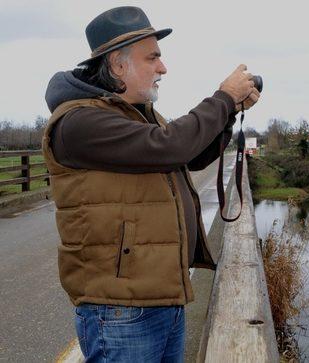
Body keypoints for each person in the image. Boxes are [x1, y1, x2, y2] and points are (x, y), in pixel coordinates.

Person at [41, 6, 260, 362]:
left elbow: (188, 155)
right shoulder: (80, 122)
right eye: (153, 57)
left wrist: (230, 111)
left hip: (160, 297)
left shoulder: (133, 113)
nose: (163, 68)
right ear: (117, 65)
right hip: (121, 310)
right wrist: (222, 99)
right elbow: (169, 145)